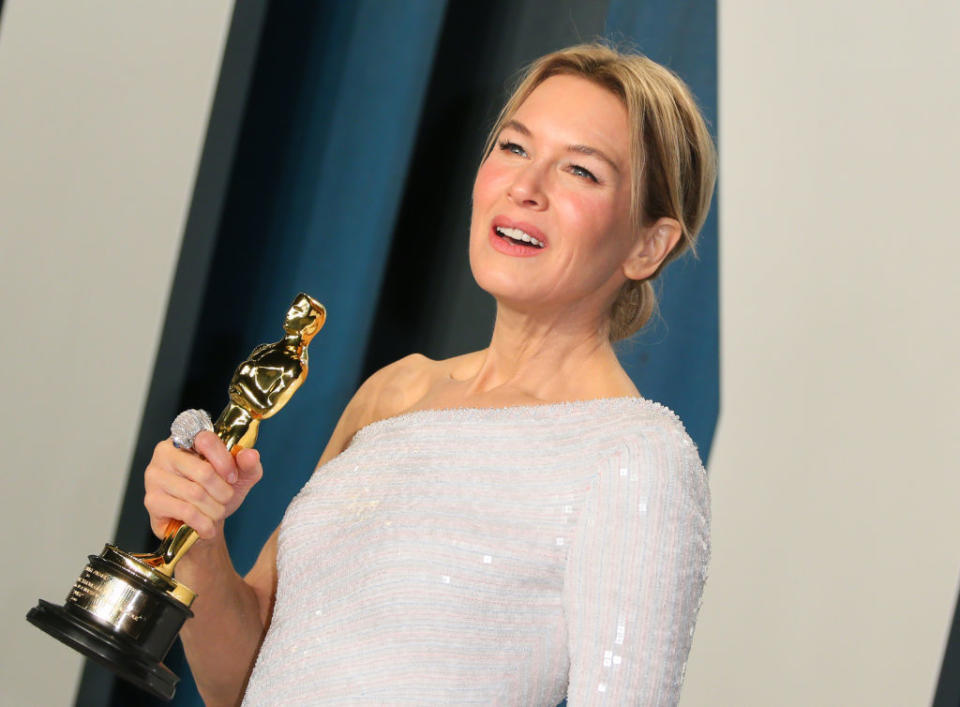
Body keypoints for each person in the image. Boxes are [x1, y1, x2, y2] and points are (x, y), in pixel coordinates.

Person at [143, 43, 716, 705]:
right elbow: (240, 683)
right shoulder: (397, 391)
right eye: (514, 147)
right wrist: (199, 543)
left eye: (582, 171)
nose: (525, 188)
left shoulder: (634, 455)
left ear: (649, 245)